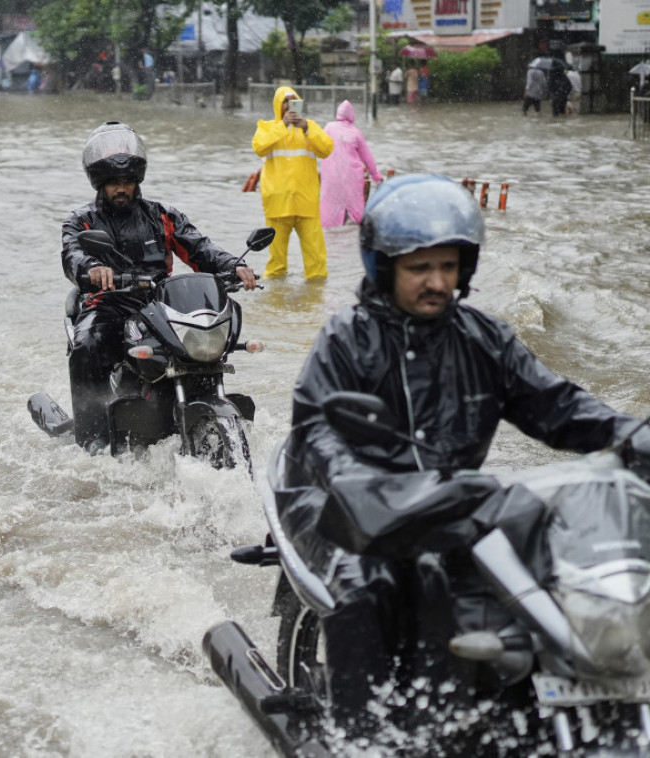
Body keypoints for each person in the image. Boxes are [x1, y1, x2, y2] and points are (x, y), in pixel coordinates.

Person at [276, 173, 650, 737]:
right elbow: (320, 434)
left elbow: (560, 408)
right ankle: (363, 738)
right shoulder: (345, 340)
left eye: (448, 266)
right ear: (384, 267)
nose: (436, 281)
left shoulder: (484, 339)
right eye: (419, 268)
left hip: (447, 504)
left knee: (551, 572)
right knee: (367, 585)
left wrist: (633, 434)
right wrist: (362, 485)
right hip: (341, 509)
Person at [62, 121, 258, 451]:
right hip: (107, 303)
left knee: (201, 347)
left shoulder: (162, 215)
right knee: (87, 346)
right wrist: (92, 268)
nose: (121, 188)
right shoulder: (82, 220)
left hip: (157, 305)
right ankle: (92, 439)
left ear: (137, 180)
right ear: (100, 183)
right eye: (113, 183)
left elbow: (199, 249)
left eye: (127, 181)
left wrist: (233, 265)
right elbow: (72, 254)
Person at [252, 86, 334, 279]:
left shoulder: (309, 126)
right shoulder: (267, 127)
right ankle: (277, 301)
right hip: (277, 204)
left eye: (293, 101)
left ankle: (315, 302)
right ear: (278, 106)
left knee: (317, 262)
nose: (289, 106)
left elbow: (327, 148)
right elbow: (259, 147)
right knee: (276, 264)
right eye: (285, 102)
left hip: (306, 203)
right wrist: (283, 126)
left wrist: (306, 128)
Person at [319, 100, 383, 228]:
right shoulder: (356, 133)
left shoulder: (328, 127)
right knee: (353, 211)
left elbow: (317, 146)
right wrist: (377, 176)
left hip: (331, 176)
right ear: (352, 116)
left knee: (331, 209)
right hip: (351, 178)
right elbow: (367, 158)